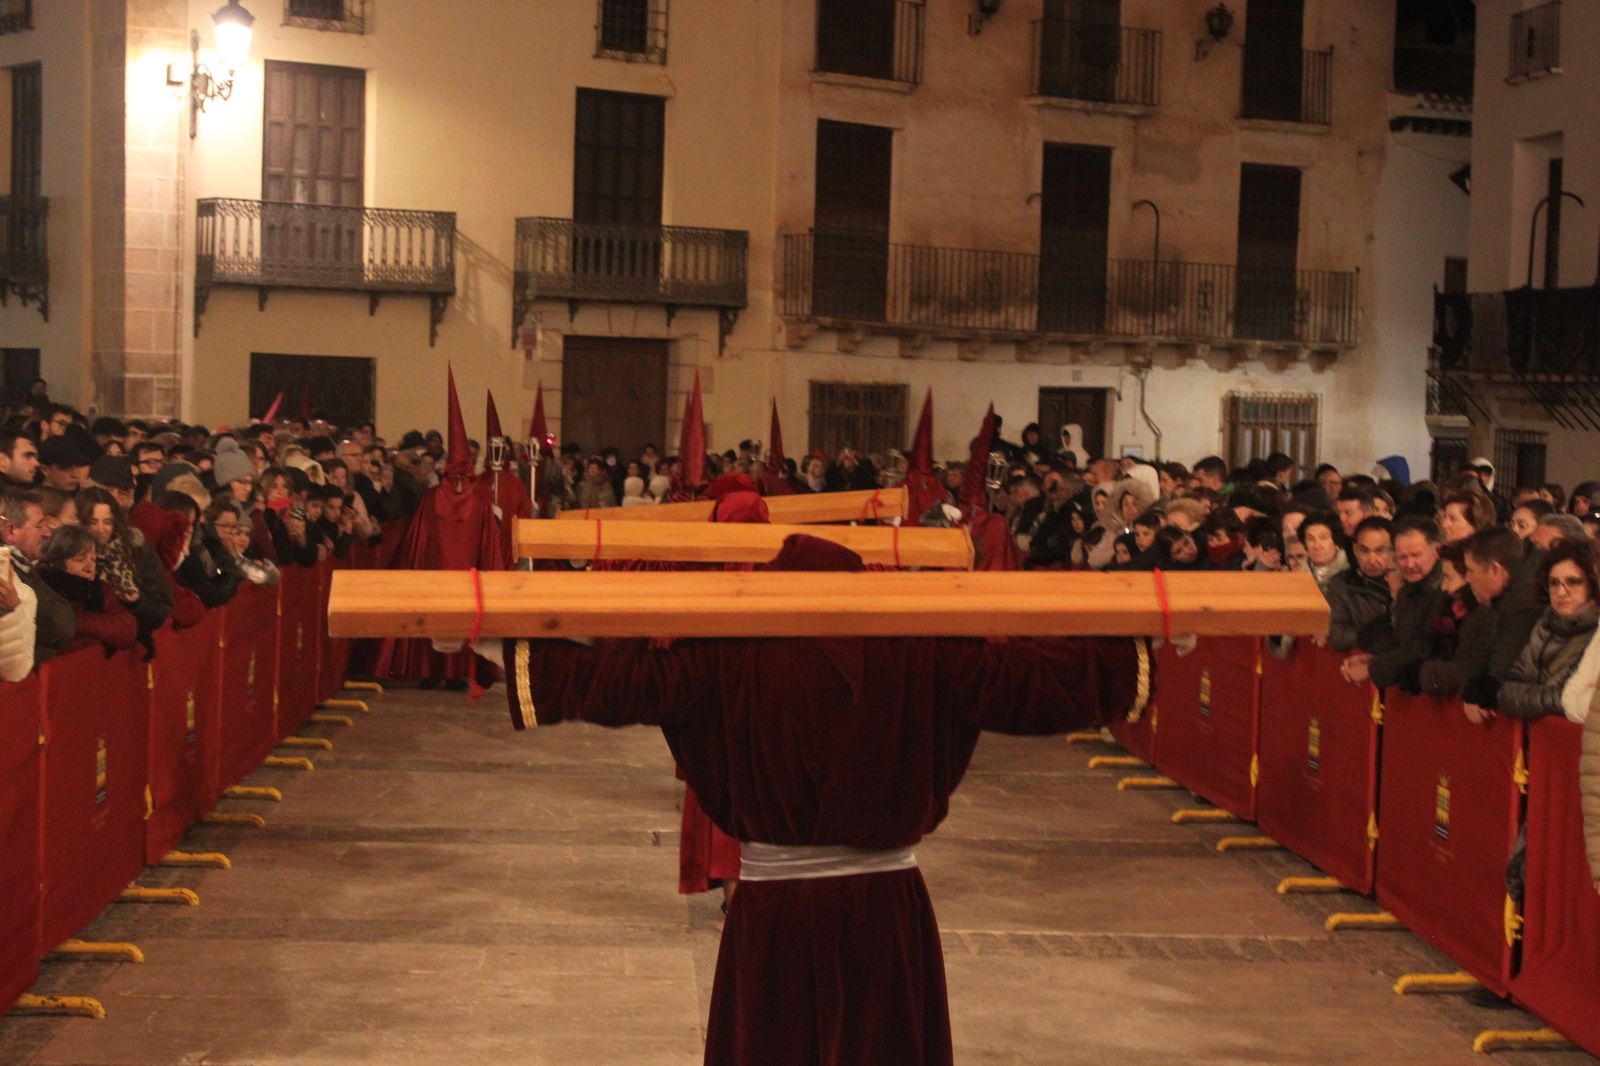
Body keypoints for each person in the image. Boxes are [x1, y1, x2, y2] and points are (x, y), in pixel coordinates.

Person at [491, 533, 1145, 1066]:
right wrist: (1141, 646)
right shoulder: (926, 646)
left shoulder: (725, 650)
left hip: (774, 912)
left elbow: (620, 683)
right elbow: (1039, 683)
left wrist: (499, 647)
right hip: (885, 911)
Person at [1463, 538, 1600, 721]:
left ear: (1592, 584)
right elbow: (1517, 677)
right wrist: (1497, 691)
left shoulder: (1595, 634)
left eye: (1573, 582)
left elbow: (1565, 698)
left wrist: (1501, 693)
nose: (1561, 592)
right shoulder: (1546, 623)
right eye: (1554, 583)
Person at [1458, 526, 1545, 725]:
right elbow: (1478, 650)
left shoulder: (1523, 603)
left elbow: (1503, 669)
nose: (1467, 578)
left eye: (1471, 570)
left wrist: (1478, 694)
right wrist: (1470, 690)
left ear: (1495, 570)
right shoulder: (1503, 599)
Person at [37, 524, 137, 654]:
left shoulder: (98, 588)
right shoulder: (43, 591)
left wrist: (72, 620)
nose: (90, 567)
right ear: (58, 561)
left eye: (93, 559)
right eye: (80, 560)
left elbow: (126, 629)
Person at [0, 490, 74, 660]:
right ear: (11, 531)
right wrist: (19, 609)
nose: (47, 533)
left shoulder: (25, 566)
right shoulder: (7, 574)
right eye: (39, 526)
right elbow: (58, 627)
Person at [1326, 516, 1394, 652]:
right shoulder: (1340, 585)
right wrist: (1384, 635)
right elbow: (1338, 635)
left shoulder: (1406, 581)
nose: (1371, 559)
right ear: (1355, 549)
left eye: (1380, 551)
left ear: (1393, 549)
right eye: (1364, 550)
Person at [1299, 512, 1348, 592]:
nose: (1317, 546)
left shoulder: (1350, 571)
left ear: (1336, 541)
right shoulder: (1298, 575)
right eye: (1311, 539)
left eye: (1324, 538)